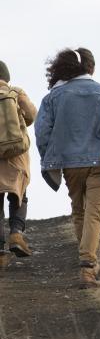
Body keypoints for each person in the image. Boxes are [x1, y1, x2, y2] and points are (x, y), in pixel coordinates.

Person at [35, 48, 100, 288]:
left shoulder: (53, 96)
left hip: (69, 163)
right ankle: (88, 266)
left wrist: (51, 157)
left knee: (79, 211)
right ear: (90, 68)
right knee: (94, 211)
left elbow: (42, 133)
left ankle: (88, 262)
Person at [0, 61, 37, 269]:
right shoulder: (16, 92)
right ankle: (16, 234)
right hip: (16, 154)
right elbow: (31, 115)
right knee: (19, 195)